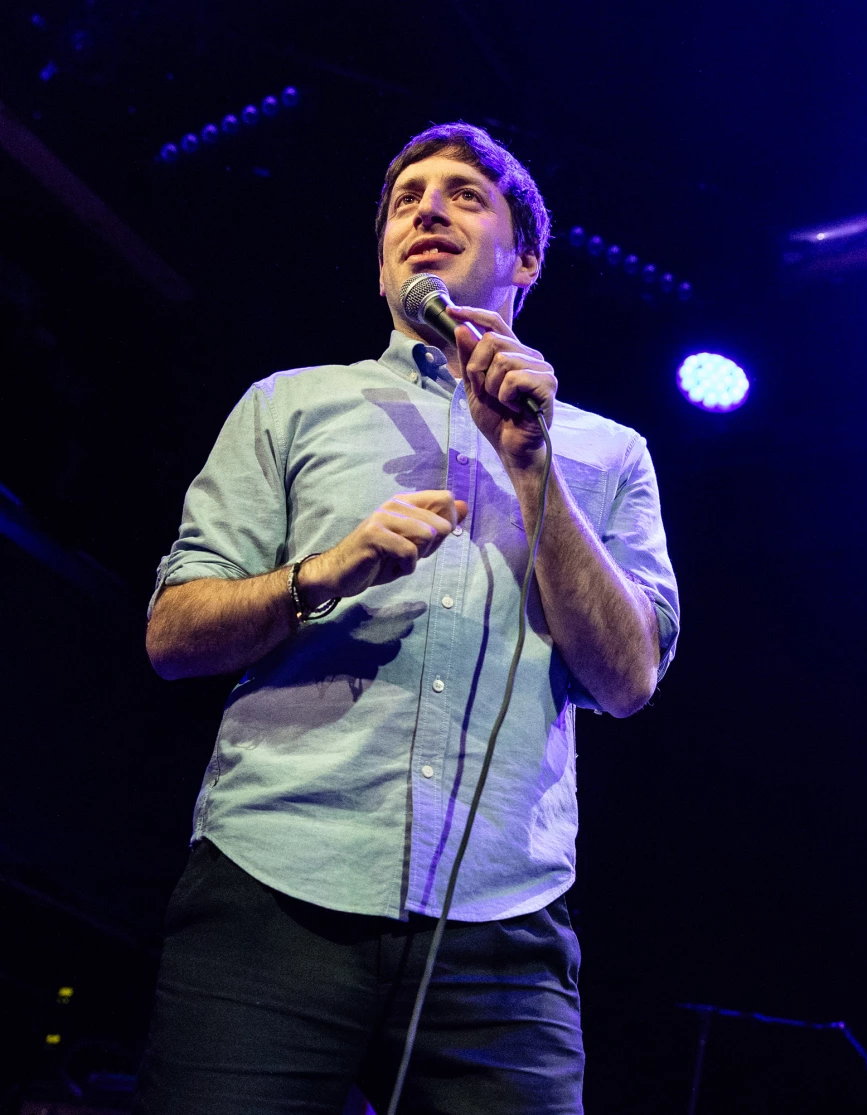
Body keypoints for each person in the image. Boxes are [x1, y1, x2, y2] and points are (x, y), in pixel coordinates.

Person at [135, 122, 679, 1115]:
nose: (426, 209)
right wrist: (329, 569)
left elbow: (627, 678)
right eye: (405, 199)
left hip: (501, 925)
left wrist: (532, 466)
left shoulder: (606, 452)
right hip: (269, 894)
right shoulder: (287, 406)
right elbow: (173, 634)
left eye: (464, 195)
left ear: (526, 257)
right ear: (385, 252)